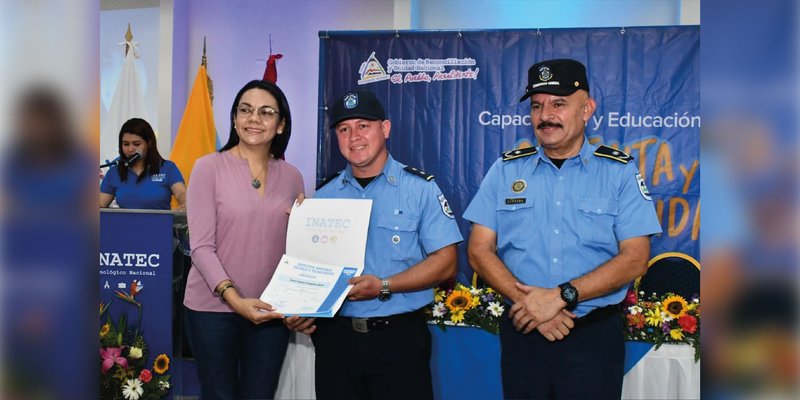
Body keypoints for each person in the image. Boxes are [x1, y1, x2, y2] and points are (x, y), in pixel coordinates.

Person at [463, 59, 662, 398]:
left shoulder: (618, 172)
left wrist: (560, 297)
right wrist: (531, 306)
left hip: (592, 338)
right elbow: (479, 251)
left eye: (558, 104)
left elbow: (635, 259)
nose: (545, 115)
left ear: (586, 109)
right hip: (524, 331)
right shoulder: (505, 170)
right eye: (537, 106)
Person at [284, 90, 462, 399]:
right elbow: (311, 272)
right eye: (343, 129)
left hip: (398, 340)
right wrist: (301, 308)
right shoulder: (323, 197)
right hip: (336, 341)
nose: (354, 136)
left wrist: (383, 285)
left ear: (386, 129)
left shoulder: (419, 189)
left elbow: (446, 261)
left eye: (363, 125)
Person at [182, 80, 304, 399]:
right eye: (245, 110)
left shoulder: (292, 177)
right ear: (234, 119)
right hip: (212, 309)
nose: (253, 118)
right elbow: (201, 248)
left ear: (280, 125)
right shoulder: (208, 168)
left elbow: (300, 247)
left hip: (270, 310)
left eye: (266, 112)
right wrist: (235, 299)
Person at [99, 117, 186, 210]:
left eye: (136, 144)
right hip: (125, 224)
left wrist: (186, 203)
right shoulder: (114, 172)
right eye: (126, 144)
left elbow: (181, 193)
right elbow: (101, 203)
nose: (130, 149)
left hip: (160, 224)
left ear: (149, 143)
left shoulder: (168, 168)